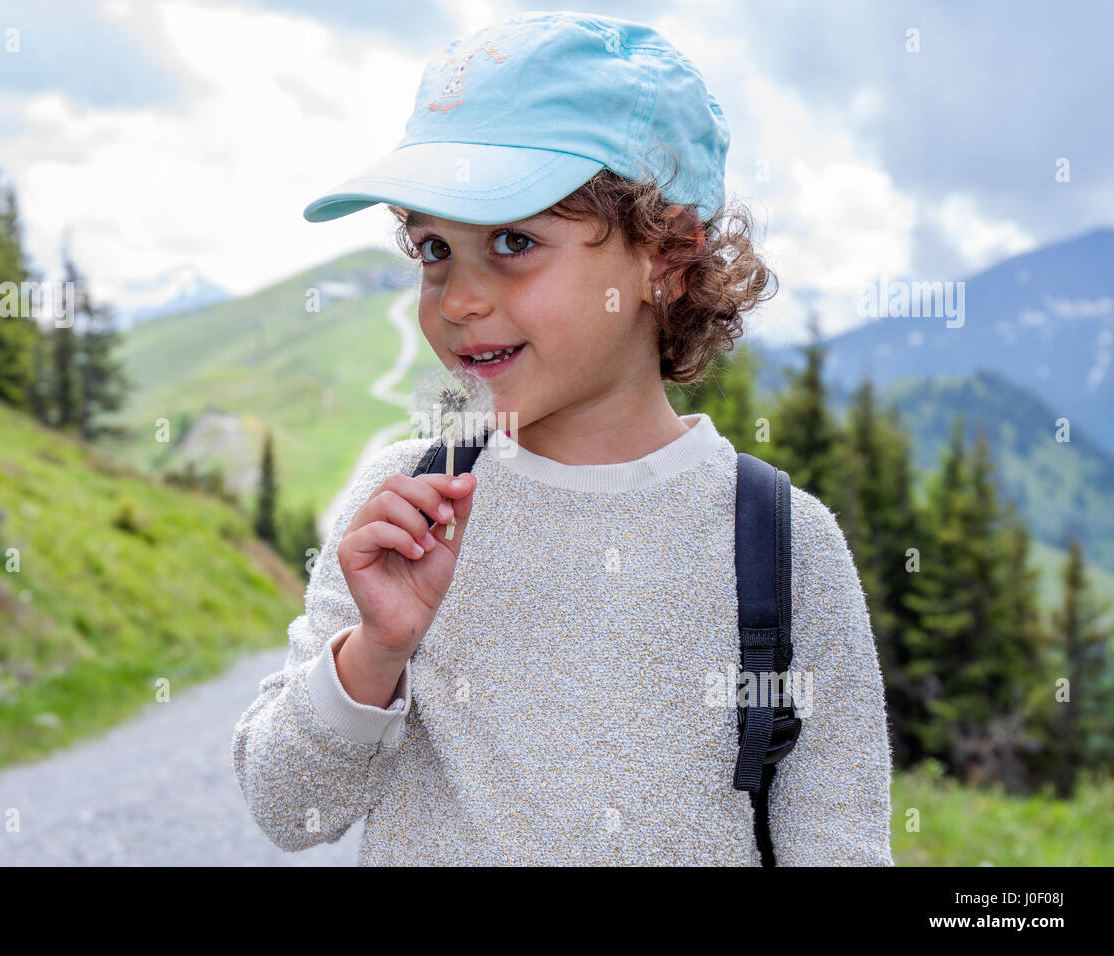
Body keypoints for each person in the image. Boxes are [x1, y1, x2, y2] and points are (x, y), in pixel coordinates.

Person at [232, 10, 894, 865]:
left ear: (668, 257)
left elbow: (838, 842)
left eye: (513, 242)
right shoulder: (404, 509)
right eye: (434, 247)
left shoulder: (782, 543)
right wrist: (376, 650)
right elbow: (292, 812)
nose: (458, 299)